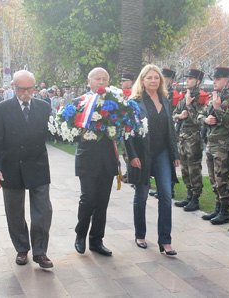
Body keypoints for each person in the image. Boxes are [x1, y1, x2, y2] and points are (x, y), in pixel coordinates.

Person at [0, 70, 54, 268]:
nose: (26, 92)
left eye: (30, 88)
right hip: (11, 167)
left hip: (38, 165)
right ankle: (22, 249)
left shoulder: (43, 107)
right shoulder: (2, 109)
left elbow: (53, 132)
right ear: (14, 87)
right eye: (22, 88)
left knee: (43, 212)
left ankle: (40, 252)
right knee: (15, 212)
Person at [125, 64, 180, 255]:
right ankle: (140, 235)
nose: (153, 81)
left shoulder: (165, 100)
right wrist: (132, 156)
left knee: (165, 195)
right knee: (141, 195)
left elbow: (170, 130)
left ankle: (165, 240)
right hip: (142, 154)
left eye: (156, 78)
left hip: (163, 153)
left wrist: (175, 153)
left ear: (160, 81)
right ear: (142, 80)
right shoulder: (134, 102)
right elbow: (128, 132)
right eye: (149, 77)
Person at [74, 67, 118, 257]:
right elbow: (68, 131)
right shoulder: (79, 102)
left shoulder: (115, 103)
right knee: (88, 199)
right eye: (97, 78)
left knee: (102, 202)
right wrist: (80, 135)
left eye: (105, 79)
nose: (101, 82)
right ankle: (80, 235)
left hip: (107, 160)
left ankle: (96, 240)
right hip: (87, 159)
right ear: (89, 80)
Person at [198, 67, 229, 224]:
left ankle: (225, 212)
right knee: (213, 178)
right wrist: (205, 120)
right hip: (211, 144)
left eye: (218, 79)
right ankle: (218, 208)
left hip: (224, 145)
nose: (215, 81)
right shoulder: (212, 98)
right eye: (214, 79)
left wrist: (217, 109)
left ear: (227, 81)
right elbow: (200, 114)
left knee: (222, 179)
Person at [172, 68, 209, 211]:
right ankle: (188, 195)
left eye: (190, 78)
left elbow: (200, 120)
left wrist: (189, 105)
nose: (186, 80)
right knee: (184, 169)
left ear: (197, 81)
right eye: (186, 78)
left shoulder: (201, 98)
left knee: (194, 169)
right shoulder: (184, 96)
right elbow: (174, 114)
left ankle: (195, 198)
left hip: (194, 137)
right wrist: (180, 116)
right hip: (183, 136)